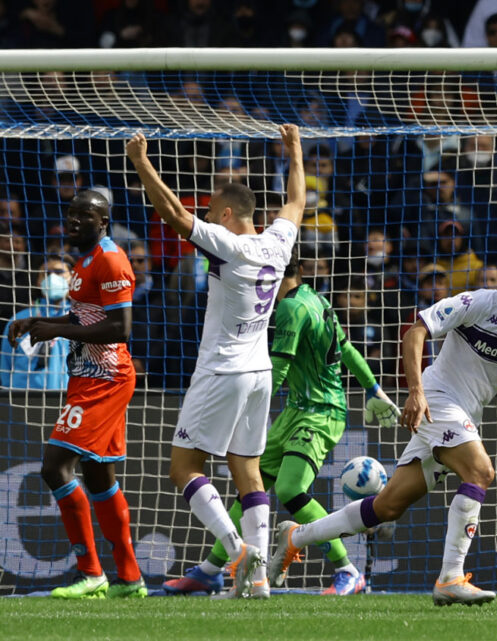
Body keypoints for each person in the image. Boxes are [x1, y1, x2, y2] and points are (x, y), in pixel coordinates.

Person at [268, 240, 497, 606]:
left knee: (387, 507)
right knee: (480, 472)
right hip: (437, 400)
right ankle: (451, 578)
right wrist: (415, 392)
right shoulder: (478, 303)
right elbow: (415, 331)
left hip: (465, 413)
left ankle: (296, 537)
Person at [125, 124, 305, 599]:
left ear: (226, 214)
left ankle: (236, 550)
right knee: (248, 471)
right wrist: (295, 150)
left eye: (210, 212)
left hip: (222, 370)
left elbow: (173, 214)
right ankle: (259, 580)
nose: (205, 217)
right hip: (260, 372)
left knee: (184, 467)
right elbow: (296, 202)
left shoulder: (229, 244)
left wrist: (141, 162)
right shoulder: (278, 241)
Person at [162, 253, 400, 596]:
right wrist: (374, 389)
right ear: (300, 270)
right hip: (296, 411)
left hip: (320, 413)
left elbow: (281, 367)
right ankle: (210, 570)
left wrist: (243, 408)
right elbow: (347, 350)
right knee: (250, 488)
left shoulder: (290, 308)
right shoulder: (317, 299)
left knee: (289, 490)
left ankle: (348, 570)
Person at [8, 190, 144, 598]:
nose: (74, 220)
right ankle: (130, 578)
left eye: (85, 215)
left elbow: (120, 327)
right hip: (86, 376)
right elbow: (86, 314)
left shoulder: (111, 259)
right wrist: (41, 320)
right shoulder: (83, 262)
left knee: (55, 466)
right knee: (99, 476)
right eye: (71, 214)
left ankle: (91, 573)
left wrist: (57, 329)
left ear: (103, 221)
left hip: (106, 378)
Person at [1, 255, 73, 390]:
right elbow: (5, 366)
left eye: (59, 272)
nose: (52, 277)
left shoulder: (81, 320)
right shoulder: (20, 320)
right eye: (46, 273)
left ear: (72, 279)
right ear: (38, 281)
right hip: (24, 398)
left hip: (68, 397)